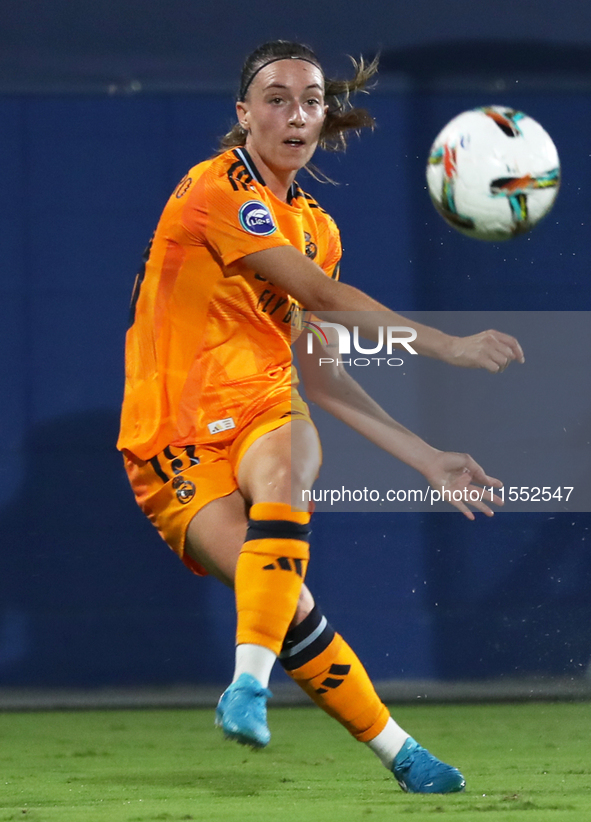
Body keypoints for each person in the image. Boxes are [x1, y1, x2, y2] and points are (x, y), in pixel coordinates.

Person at [118, 40, 524, 795]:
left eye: (310, 100)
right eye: (276, 98)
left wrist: (425, 456)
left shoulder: (318, 228)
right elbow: (326, 297)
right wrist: (448, 347)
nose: (296, 113)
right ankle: (395, 747)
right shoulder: (216, 190)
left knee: (292, 459)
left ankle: (248, 686)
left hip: (265, 405)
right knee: (282, 597)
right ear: (243, 116)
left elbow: (321, 373)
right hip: (170, 436)